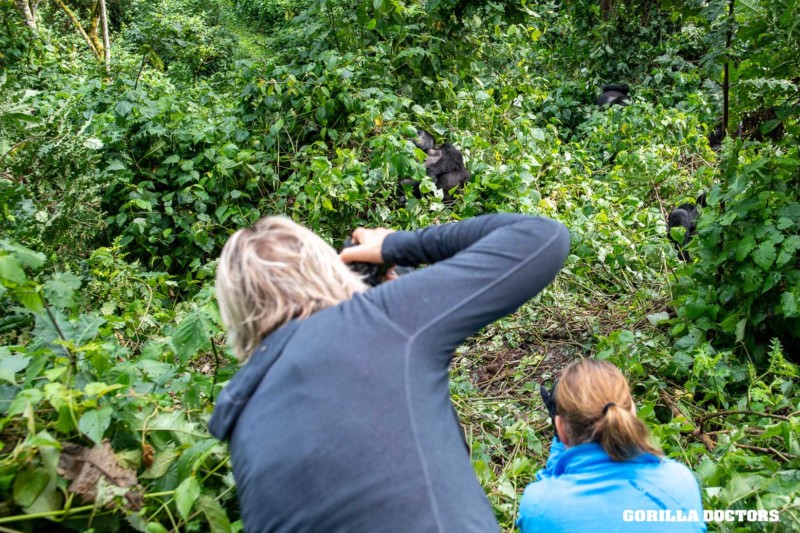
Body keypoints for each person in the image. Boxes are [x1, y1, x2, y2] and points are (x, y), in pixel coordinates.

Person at [209, 214, 570, 532]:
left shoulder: (242, 428)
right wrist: (396, 245)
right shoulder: (374, 320)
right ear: (326, 268)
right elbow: (543, 237)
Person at [517, 360, 706, 532]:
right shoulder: (680, 481)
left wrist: (558, 440)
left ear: (561, 428)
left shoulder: (538, 505)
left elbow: (553, 494)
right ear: (631, 415)